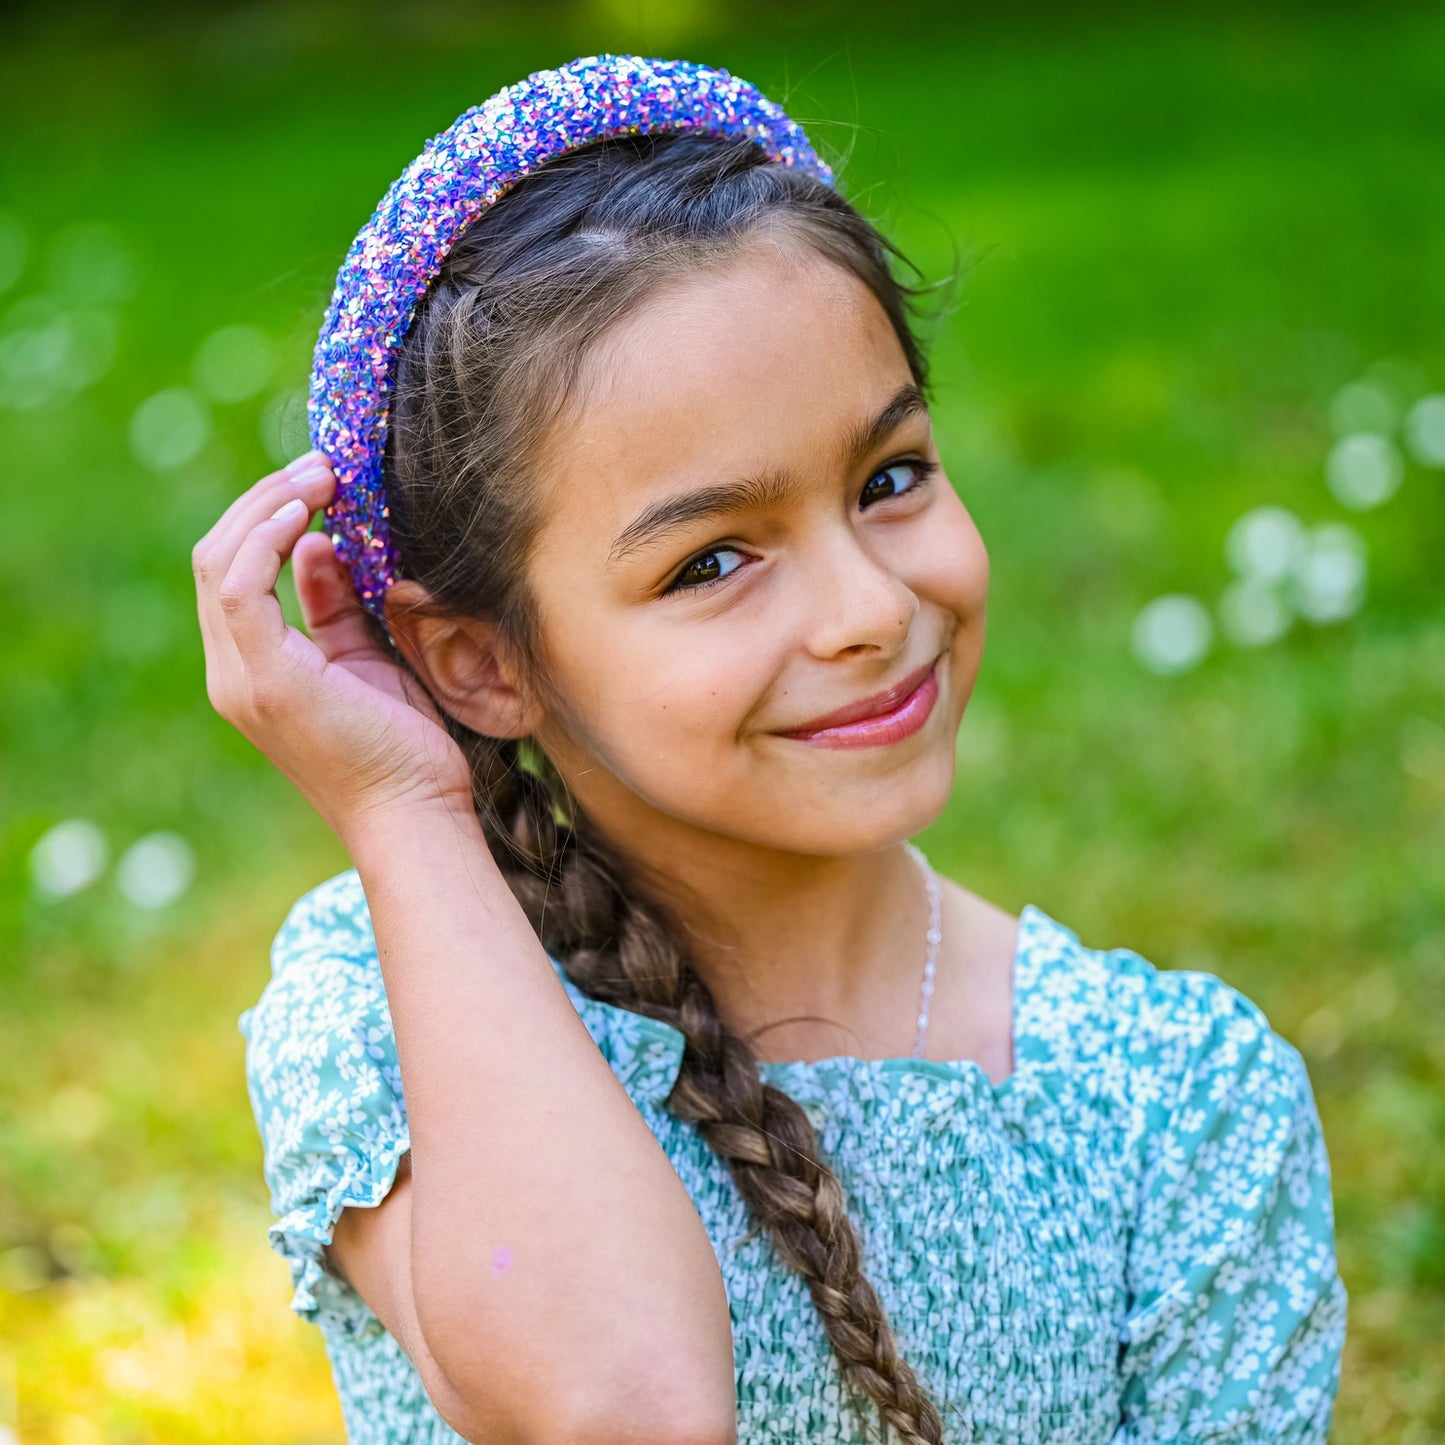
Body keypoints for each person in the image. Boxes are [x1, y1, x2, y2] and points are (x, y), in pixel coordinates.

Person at [195, 55, 1347, 1445]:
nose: (869, 610)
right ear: (480, 662)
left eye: (889, 478)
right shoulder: (388, 1012)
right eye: (714, 559)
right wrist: (402, 814)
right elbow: (619, 1412)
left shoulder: (1175, 1102)